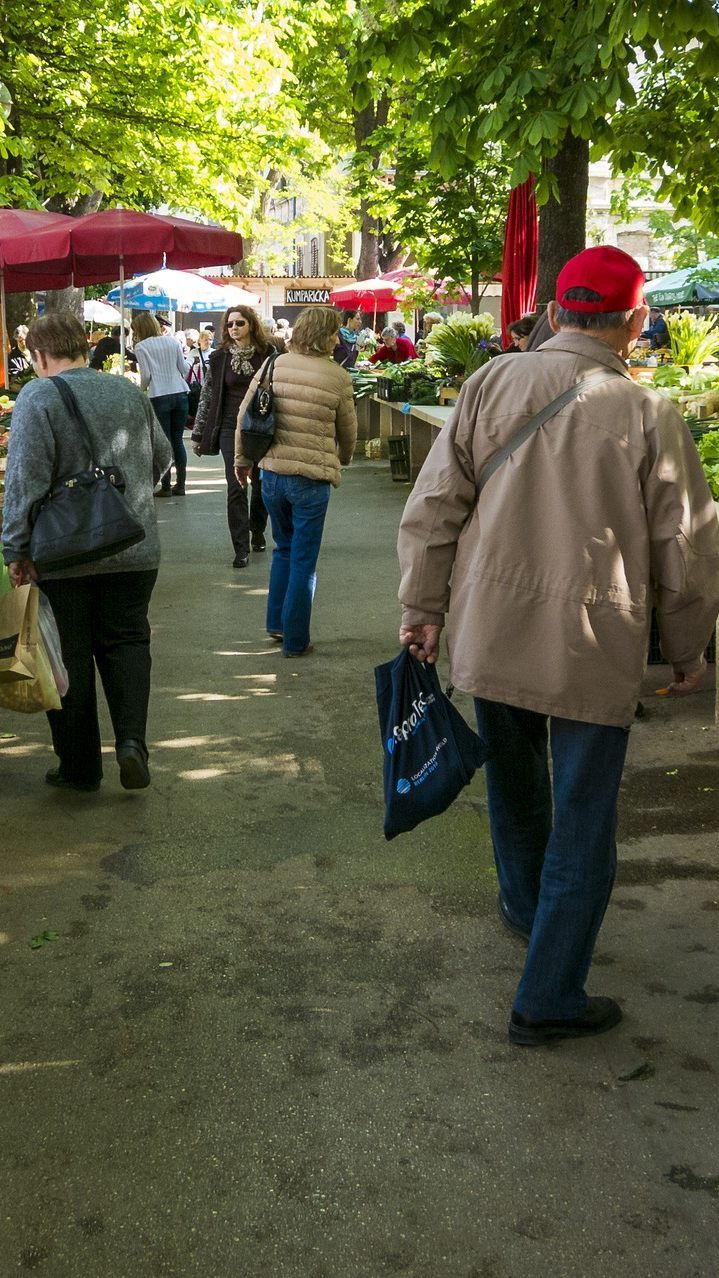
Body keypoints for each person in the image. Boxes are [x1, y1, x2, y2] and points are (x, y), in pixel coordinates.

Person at [396, 245, 719, 1047]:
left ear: (550, 313)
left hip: (490, 625)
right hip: (590, 639)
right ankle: (548, 995)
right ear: (637, 322)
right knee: (583, 816)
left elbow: (435, 504)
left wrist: (422, 606)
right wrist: (687, 649)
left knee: (514, 788)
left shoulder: (489, 382)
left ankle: (526, 909)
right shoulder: (646, 412)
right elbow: (685, 546)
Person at [1, 312, 172, 792]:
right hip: (134, 545)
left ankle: (80, 767)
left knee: (68, 655)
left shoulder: (38, 397)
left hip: (64, 554)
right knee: (128, 642)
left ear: (39, 355)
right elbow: (161, 458)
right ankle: (132, 744)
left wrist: (15, 547)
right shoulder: (127, 391)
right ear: (84, 346)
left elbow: (26, 480)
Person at [233, 305, 357, 656]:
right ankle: (296, 640)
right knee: (304, 559)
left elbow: (245, 415)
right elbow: (348, 431)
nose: (338, 340)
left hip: (272, 475)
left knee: (283, 549)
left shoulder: (273, 365)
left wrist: (242, 461)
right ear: (324, 336)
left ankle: (276, 623)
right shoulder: (337, 377)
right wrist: (344, 458)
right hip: (311, 480)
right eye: (334, 333)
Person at [190, 306, 272, 566]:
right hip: (229, 428)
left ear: (251, 325)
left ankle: (257, 529)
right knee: (236, 485)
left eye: (239, 323)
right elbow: (207, 395)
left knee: (261, 484)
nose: (234, 328)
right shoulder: (219, 358)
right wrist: (198, 432)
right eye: (230, 324)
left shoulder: (268, 354)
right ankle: (241, 547)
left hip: (260, 428)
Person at [131, 312, 190, 497]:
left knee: (164, 442)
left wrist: (140, 391)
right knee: (178, 440)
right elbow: (184, 369)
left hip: (159, 395)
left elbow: (146, 376)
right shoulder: (173, 342)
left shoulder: (141, 347)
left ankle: (166, 486)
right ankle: (181, 484)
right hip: (180, 392)